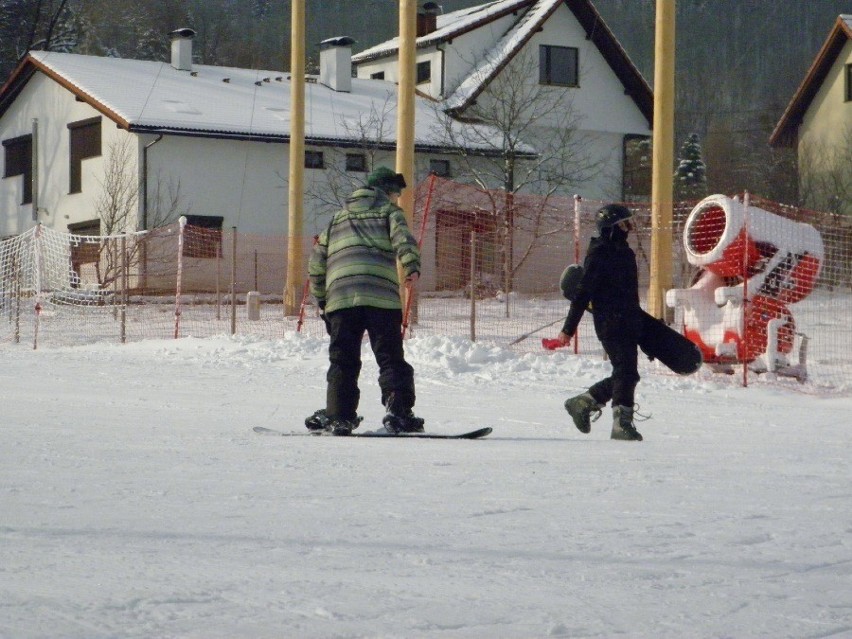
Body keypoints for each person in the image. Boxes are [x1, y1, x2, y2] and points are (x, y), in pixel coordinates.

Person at [306, 166, 423, 436]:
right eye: (396, 194)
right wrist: (411, 266)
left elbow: (316, 262)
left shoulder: (336, 219)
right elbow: (402, 239)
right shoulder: (389, 211)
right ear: (388, 192)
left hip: (342, 298)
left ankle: (339, 416)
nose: (396, 200)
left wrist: (323, 299)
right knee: (391, 357)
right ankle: (398, 412)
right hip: (380, 296)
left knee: (343, 360)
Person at [556, 203, 645, 441]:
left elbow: (629, 294)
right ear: (612, 226)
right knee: (626, 372)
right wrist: (568, 329)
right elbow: (582, 294)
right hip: (609, 323)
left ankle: (584, 402)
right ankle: (620, 424)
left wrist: (641, 322)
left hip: (627, 320)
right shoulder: (600, 253)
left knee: (628, 374)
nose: (629, 227)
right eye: (625, 223)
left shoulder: (625, 252)